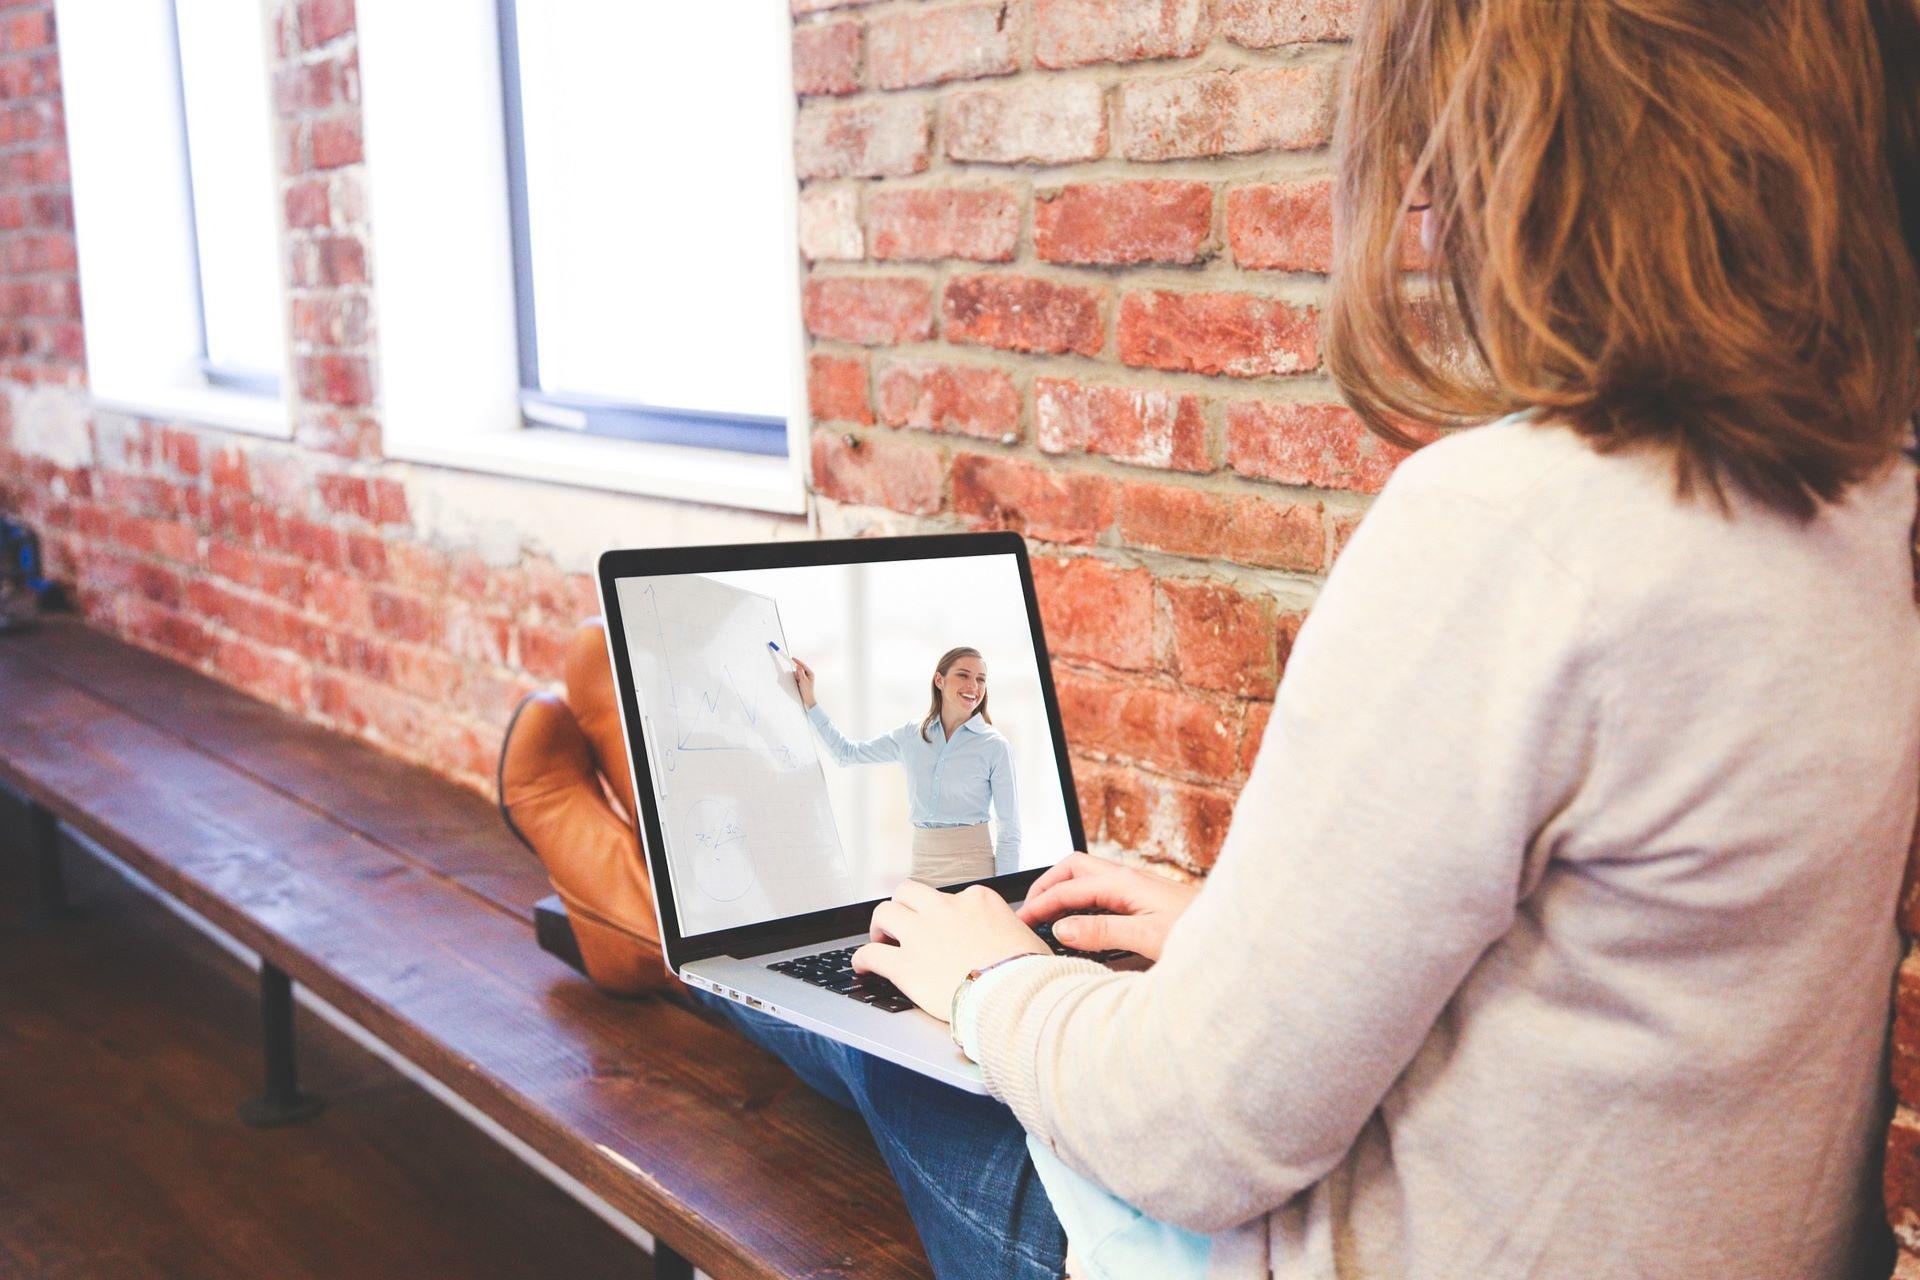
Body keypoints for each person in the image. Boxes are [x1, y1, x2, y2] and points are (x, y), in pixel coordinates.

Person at [504, 0, 1920, 1275]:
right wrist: (1235, 951)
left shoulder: (1518, 526)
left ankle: (644, 910)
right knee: (920, 944)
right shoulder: (1873, 500)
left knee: (908, 1025)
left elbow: (1196, 1139)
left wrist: (996, 982)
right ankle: (667, 914)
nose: (1423, 194)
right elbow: (1625, 970)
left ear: (1512, 146)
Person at [791, 645, 1021, 884]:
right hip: (922, 864)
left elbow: (1010, 829)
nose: (973, 686)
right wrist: (810, 701)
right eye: (963, 675)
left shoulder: (995, 746)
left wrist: (1005, 890)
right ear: (939, 680)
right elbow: (846, 754)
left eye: (981, 679)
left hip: (974, 868)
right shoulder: (912, 736)